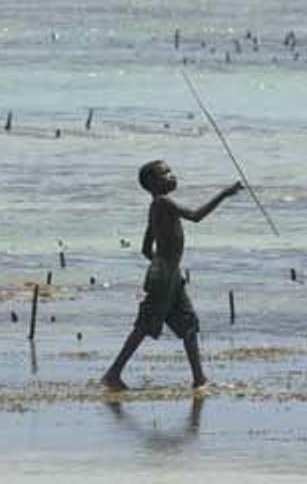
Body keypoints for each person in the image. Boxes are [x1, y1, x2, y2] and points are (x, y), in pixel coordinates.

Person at [103, 160, 243, 390]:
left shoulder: (155, 207)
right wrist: (224, 194)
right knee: (145, 325)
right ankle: (113, 373)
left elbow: (146, 249)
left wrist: (166, 269)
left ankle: (199, 379)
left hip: (168, 275)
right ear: (152, 184)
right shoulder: (163, 203)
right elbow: (196, 216)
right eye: (165, 173)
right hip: (164, 276)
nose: (172, 176)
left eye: (170, 171)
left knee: (188, 324)